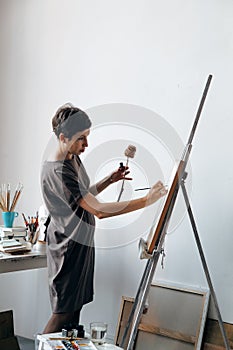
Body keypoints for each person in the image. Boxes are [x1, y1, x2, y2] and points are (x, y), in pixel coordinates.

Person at [40, 103, 167, 333]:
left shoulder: (71, 156)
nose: (86, 145)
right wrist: (146, 200)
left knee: (73, 315)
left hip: (80, 246)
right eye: (81, 139)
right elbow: (98, 210)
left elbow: (84, 195)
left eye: (87, 137)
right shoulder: (59, 171)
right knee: (63, 313)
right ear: (63, 137)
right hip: (67, 249)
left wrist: (110, 179)